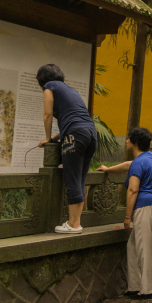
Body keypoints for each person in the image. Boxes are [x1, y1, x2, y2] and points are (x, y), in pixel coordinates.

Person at [99, 127, 152, 299]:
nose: (126, 141)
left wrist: (127, 216)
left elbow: (133, 190)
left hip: (144, 207)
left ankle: (149, 290)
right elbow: (129, 165)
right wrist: (109, 169)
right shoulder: (150, 157)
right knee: (133, 246)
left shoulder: (139, 162)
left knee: (145, 248)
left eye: (128, 139)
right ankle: (135, 286)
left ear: (134, 143)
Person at [36, 64, 98, 234]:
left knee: (71, 178)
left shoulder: (50, 86)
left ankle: (72, 224)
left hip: (76, 134)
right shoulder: (70, 90)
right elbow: (74, 121)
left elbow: (47, 114)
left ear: (42, 81)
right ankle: (76, 222)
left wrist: (48, 138)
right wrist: (57, 137)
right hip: (91, 133)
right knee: (80, 179)